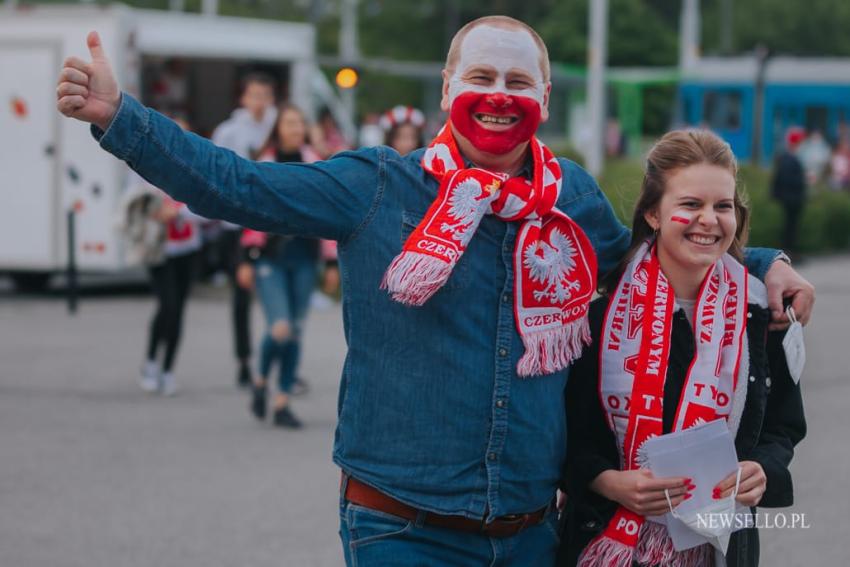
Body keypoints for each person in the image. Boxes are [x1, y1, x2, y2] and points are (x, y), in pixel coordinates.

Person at [57, 18, 814, 565]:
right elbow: (240, 184)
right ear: (450, 87)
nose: (498, 94)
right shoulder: (376, 186)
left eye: (518, 80)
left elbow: (650, 254)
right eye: (480, 77)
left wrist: (766, 258)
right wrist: (120, 118)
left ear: (544, 96)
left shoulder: (571, 199)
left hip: (529, 533)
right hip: (400, 529)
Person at [558, 130, 807, 566]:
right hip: (603, 538)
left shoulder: (763, 316)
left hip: (717, 549)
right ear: (654, 214)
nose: (709, 220)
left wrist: (763, 470)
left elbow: (782, 427)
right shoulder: (597, 319)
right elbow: (564, 436)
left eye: (722, 206)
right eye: (691, 205)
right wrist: (607, 481)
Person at [236, 103, 330, 428]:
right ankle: (261, 379)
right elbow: (249, 213)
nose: (294, 129)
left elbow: (329, 211)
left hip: (305, 257)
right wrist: (246, 259)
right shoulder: (266, 163)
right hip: (270, 257)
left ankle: (282, 401)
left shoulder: (315, 162)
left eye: (299, 123)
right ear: (278, 128)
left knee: (296, 332)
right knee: (280, 327)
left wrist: (331, 263)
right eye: (289, 123)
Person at [126, 117, 205, 396]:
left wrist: (179, 212)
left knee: (179, 309)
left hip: (187, 247)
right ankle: (150, 363)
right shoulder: (144, 163)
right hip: (158, 247)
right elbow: (132, 200)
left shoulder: (195, 165)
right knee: (167, 305)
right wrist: (154, 210)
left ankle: (168, 369)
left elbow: (206, 203)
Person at [210, 73, 277, 388]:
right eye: (254, 95)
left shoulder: (278, 128)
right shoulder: (230, 131)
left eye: (265, 95)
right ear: (244, 98)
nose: (259, 101)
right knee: (242, 294)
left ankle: (277, 359)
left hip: (271, 221)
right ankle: (243, 360)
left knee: (276, 293)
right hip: (238, 224)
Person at [771, 127, 807, 257]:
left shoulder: (787, 158)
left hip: (791, 199)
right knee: (790, 228)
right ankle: (789, 251)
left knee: (792, 227)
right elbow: (787, 179)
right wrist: (803, 179)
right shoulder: (788, 159)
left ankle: (791, 250)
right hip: (791, 199)